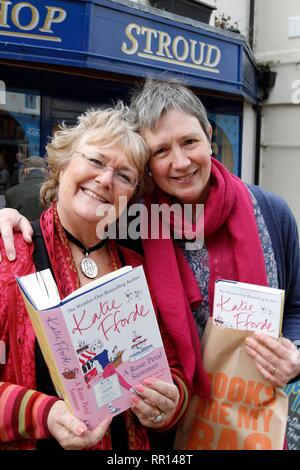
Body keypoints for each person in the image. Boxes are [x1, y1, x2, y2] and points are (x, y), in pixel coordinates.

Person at [1, 79, 300, 437]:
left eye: (189, 141)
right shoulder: (129, 228)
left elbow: (293, 308)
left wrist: (295, 355)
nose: (180, 161)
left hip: (256, 419)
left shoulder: (271, 213)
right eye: (160, 151)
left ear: (208, 135)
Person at [0, 103, 187, 450]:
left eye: (124, 175)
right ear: (65, 161)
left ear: (131, 195)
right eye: (96, 161)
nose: (105, 180)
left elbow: (171, 369)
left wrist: (167, 404)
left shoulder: (137, 269)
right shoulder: (11, 256)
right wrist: (43, 413)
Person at [5, 156, 46, 220]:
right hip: (49, 229)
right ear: (45, 171)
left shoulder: (11, 193)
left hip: (24, 229)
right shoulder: (56, 190)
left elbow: (8, 220)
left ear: (26, 171)